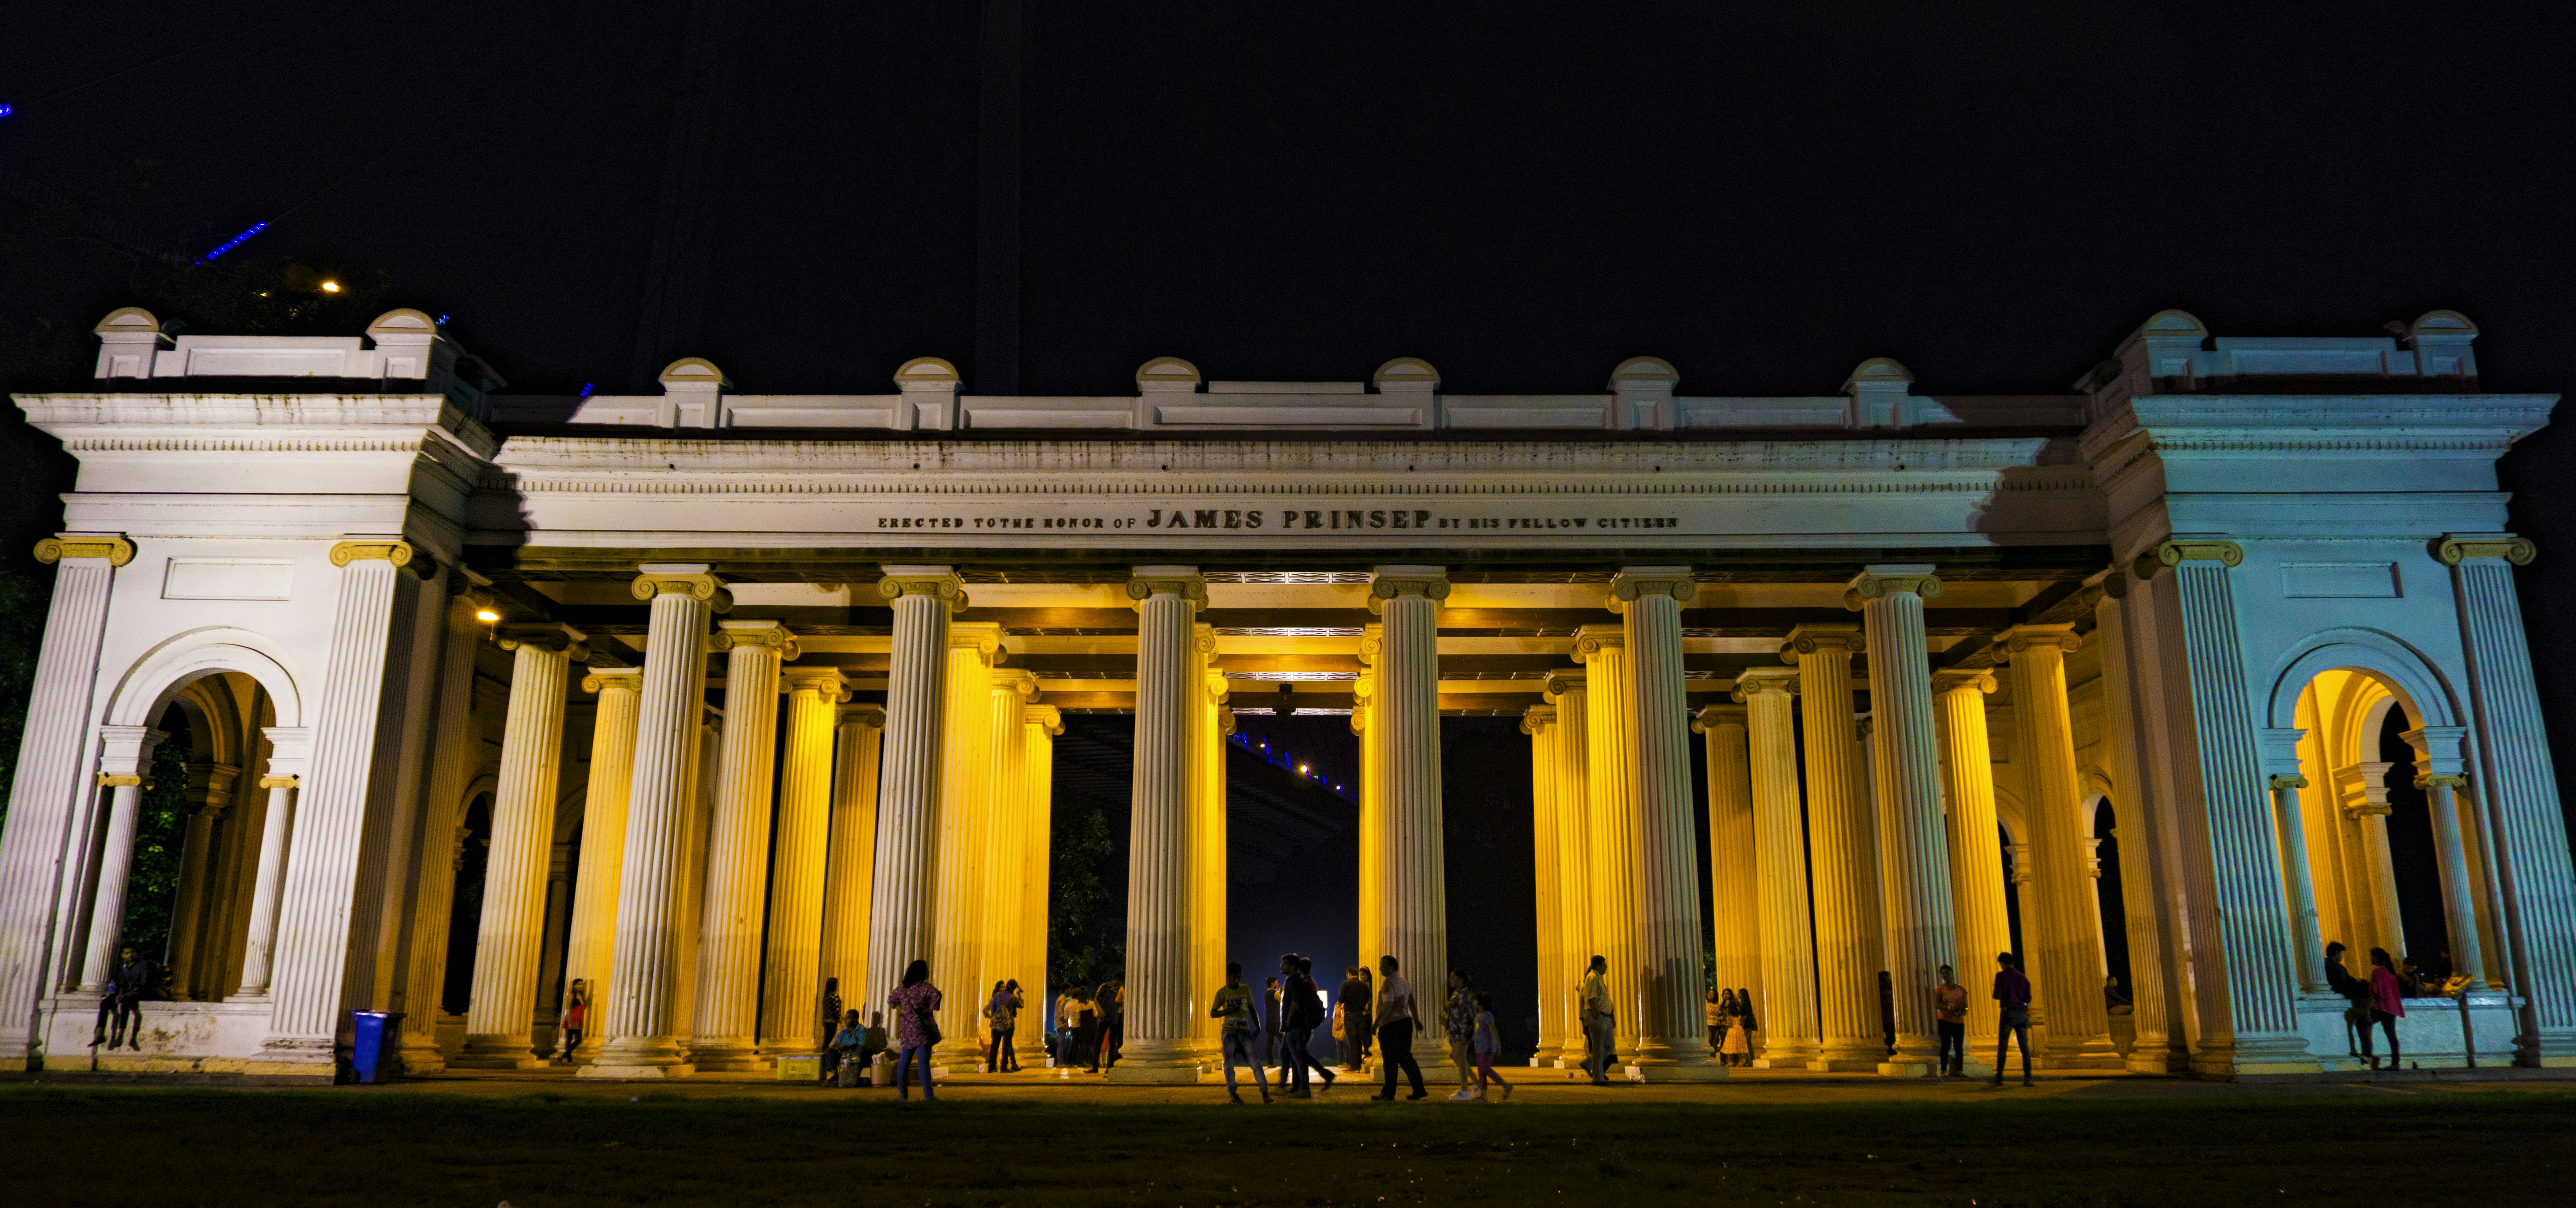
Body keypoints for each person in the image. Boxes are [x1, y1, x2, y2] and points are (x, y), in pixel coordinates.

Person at [1211, 962, 1272, 1104]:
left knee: (1255, 1063)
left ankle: (1265, 1094)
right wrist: (1227, 1011)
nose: (1237, 981)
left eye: (1239, 978)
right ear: (1228, 978)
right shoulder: (1222, 993)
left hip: (1245, 1033)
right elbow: (1213, 1013)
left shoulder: (1245, 989)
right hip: (1229, 1034)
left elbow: (1251, 1009)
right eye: (1234, 978)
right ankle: (1233, 1095)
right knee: (1230, 1065)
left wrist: (1258, 1027)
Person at [1278, 953, 1334, 1097]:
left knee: (1298, 1057)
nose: (1281, 966)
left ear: (1293, 967)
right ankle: (1289, 1086)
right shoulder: (1298, 981)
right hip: (1294, 1026)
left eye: (1284, 964)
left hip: (1297, 1026)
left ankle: (1302, 1088)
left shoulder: (1297, 982)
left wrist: (1289, 1021)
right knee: (1288, 1054)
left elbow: (1297, 1003)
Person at [1373, 954, 1427, 1101]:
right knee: (1405, 1058)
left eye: (1383, 965)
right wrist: (1416, 1021)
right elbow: (1412, 1002)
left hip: (1391, 1026)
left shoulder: (1388, 983)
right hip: (1405, 1023)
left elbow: (1388, 1005)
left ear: (1392, 967)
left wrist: (1376, 1024)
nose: (1380, 968)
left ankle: (1388, 1093)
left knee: (1390, 1060)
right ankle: (1419, 1089)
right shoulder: (1403, 981)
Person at [888, 959, 943, 1101]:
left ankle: (903, 1095)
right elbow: (937, 995)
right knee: (923, 1064)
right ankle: (929, 1096)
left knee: (904, 1062)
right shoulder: (924, 987)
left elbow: (891, 1000)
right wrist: (929, 1009)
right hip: (921, 1030)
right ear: (922, 972)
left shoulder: (902, 988)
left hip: (907, 1030)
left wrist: (904, 1010)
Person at [1991, 951, 2033, 1087]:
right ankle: (2028, 1078)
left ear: (2003, 963)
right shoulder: (2023, 977)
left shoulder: (2001, 976)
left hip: (2008, 1013)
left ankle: (1999, 1078)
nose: (2001, 966)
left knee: (2003, 1046)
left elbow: (1997, 995)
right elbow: (2028, 999)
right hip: (2021, 1014)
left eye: (2000, 964)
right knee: (2024, 1048)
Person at [2324, 942, 2370, 1059]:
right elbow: (2344, 982)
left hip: (2346, 994)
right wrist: (2359, 984)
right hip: (2348, 996)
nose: (2342, 956)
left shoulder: (2328, 965)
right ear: (2336, 953)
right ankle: (2365, 1052)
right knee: (2362, 1025)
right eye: (2341, 954)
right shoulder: (2335, 967)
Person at [1579, 955, 1616, 1085]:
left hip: (1605, 1016)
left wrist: (1611, 1016)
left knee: (1609, 1046)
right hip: (1598, 1016)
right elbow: (1591, 998)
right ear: (1597, 966)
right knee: (1598, 1048)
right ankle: (1598, 1079)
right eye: (1604, 965)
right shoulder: (1592, 978)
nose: (1606, 967)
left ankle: (1591, 1063)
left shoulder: (1598, 979)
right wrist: (1597, 1015)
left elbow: (1604, 1000)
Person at [2367, 946, 2405, 1071]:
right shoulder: (2391, 972)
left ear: (2377, 958)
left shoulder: (2378, 972)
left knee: (2362, 1024)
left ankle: (2367, 1054)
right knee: (2392, 1035)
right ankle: (2396, 1063)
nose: (2371, 959)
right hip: (2392, 1007)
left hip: (2381, 1007)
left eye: (2372, 956)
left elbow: (2375, 991)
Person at [1443, 969, 1479, 1099]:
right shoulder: (1457, 993)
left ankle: (1464, 1091)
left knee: (1461, 1059)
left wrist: (1467, 1033)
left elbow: (1470, 1015)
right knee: (1456, 1057)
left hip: (1462, 1031)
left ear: (1461, 981)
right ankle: (1477, 1083)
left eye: (1453, 978)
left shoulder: (1465, 995)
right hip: (1455, 1030)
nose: (1450, 980)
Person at [1470, 991, 1512, 1102]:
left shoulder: (1488, 1015)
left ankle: (1506, 1086)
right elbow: (1477, 1032)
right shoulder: (1478, 1016)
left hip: (1488, 1048)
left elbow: (1493, 1030)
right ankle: (1484, 1097)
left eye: (1474, 1001)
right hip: (1479, 1048)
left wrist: (1498, 1045)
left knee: (1485, 1069)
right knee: (1481, 1072)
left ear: (1480, 1003)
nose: (1473, 1003)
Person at [1932, 965, 1968, 1078]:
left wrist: (1963, 1012)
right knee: (1946, 1044)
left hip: (1959, 1021)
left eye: (1947, 973)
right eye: (1943, 974)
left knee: (1959, 1046)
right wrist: (1949, 1008)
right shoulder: (1940, 989)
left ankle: (1960, 1070)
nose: (1945, 975)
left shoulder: (1961, 989)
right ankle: (1944, 1071)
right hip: (1945, 1020)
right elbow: (1937, 1004)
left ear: (1953, 973)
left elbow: (1966, 1006)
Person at [1338, 965, 1374, 1071]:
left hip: (1350, 1015)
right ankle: (1358, 1065)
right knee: (1359, 1040)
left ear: (1349, 974)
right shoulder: (1363, 985)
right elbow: (1366, 999)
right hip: (1360, 1015)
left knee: (1352, 1041)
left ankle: (1353, 1066)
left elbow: (1341, 1000)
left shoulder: (1346, 984)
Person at [987, 979, 1023, 1072]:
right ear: (1014, 989)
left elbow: (993, 1010)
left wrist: (997, 1019)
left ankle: (991, 1067)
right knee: (1006, 1046)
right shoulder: (1013, 998)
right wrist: (1019, 995)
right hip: (1009, 1024)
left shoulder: (997, 995)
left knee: (995, 1045)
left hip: (997, 1024)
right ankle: (1004, 1067)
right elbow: (1022, 1005)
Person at [826, 1009, 870, 1084]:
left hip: (855, 1055)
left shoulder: (861, 1030)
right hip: (844, 1054)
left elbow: (862, 1045)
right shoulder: (843, 1031)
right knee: (828, 1051)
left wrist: (847, 1047)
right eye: (845, 1018)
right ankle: (835, 1074)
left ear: (855, 1020)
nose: (845, 1020)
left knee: (861, 1050)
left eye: (848, 1018)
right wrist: (837, 1047)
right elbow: (834, 1045)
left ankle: (856, 1074)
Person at [1720, 990, 1754, 1067]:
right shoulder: (1738, 1015)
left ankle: (1731, 1062)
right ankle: (1742, 1061)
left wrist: (1722, 1022)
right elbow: (1741, 1022)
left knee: (1731, 1048)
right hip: (1739, 1031)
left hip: (1732, 1032)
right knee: (1740, 1048)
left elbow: (1729, 1024)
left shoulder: (1730, 1016)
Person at [1097, 976, 1125, 1069]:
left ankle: (1110, 1067)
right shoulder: (1105, 987)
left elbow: (1118, 1002)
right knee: (1098, 1043)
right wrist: (1100, 1010)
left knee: (1113, 1045)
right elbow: (1096, 1000)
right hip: (1104, 1019)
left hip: (1115, 1020)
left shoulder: (1121, 989)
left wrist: (1118, 993)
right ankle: (1095, 1066)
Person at [559, 980, 589, 1062]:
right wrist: (569, 1023)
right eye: (578, 984)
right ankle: (569, 1060)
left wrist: (589, 999)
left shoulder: (581, 996)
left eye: (582, 985)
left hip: (579, 1021)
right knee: (569, 1039)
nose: (580, 986)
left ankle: (564, 1056)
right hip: (571, 1020)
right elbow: (568, 1009)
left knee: (579, 1039)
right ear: (574, 986)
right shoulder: (571, 996)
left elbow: (583, 1008)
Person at [1261, 975, 1283, 1068]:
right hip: (1276, 1022)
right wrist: (1281, 992)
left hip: (1268, 1022)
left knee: (1270, 1041)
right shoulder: (1275, 993)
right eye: (1276, 982)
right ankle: (1286, 1061)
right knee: (1283, 1041)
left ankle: (1270, 1063)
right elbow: (1281, 1000)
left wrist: (1280, 992)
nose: (1277, 984)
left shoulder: (1266, 994)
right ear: (1273, 983)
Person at [818, 976, 843, 1051]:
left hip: (826, 1021)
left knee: (826, 1040)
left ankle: (824, 1052)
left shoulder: (827, 996)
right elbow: (836, 1009)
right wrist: (840, 1020)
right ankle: (826, 1054)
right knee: (828, 1040)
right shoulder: (834, 996)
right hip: (832, 1022)